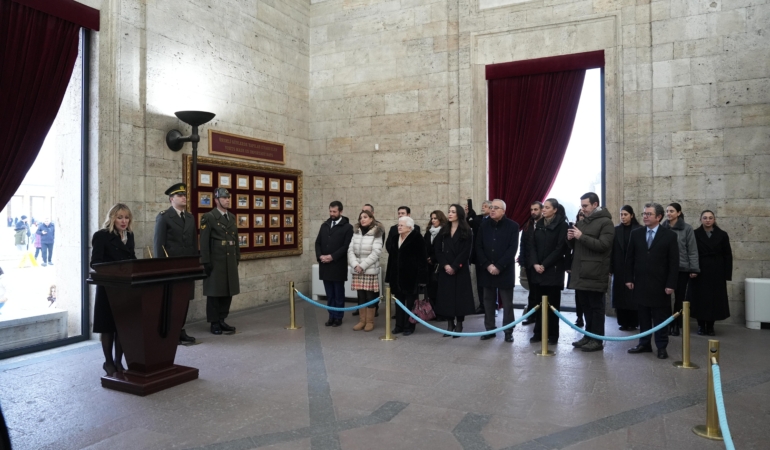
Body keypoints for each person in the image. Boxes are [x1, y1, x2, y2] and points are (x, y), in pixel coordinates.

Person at [626, 202, 679, 360]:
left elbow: (673, 262)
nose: (645, 217)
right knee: (643, 317)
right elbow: (629, 259)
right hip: (641, 283)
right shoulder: (636, 233)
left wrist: (671, 284)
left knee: (660, 317)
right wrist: (628, 278)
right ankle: (644, 343)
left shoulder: (669, 235)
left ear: (659, 217)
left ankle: (662, 346)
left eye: (649, 214)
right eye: (644, 214)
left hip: (660, 285)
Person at [91, 203, 137, 376]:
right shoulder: (101, 236)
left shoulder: (129, 235)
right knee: (108, 327)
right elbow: (95, 262)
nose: (124, 221)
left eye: (126, 217)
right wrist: (117, 269)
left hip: (125, 288)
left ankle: (119, 361)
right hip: (109, 287)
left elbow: (132, 258)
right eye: (120, 217)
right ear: (112, 218)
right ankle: (108, 362)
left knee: (122, 326)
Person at [566, 192, 614, 352]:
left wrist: (581, 236)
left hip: (595, 272)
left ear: (595, 205)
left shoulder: (606, 223)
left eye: (585, 206)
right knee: (585, 306)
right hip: (580, 271)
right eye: (582, 206)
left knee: (596, 307)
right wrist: (571, 239)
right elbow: (577, 247)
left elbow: (603, 245)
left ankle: (597, 339)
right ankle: (588, 335)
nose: (583, 209)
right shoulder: (583, 222)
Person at [154, 183, 198, 344]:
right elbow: (159, 244)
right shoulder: (164, 217)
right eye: (180, 195)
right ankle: (171, 331)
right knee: (171, 300)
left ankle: (180, 328)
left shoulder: (190, 217)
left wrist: (194, 264)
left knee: (185, 299)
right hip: (171, 267)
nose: (184, 197)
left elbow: (193, 243)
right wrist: (160, 268)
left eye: (185, 195)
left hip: (187, 267)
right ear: (172, 199)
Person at [475, 199, 520, 342]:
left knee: (507, 303)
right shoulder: (484, 225)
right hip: (487, 270)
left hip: (504, 270)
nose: (492, 210)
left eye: (496, 207)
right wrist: (488, 265)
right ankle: (490, 329)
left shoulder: (513, 226)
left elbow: (512, 249)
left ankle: (508, 331)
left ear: (503, 211)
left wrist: (499, 266)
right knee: (488, 301)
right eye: (491, 207)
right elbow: (478, 247)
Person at [527, 198, 568, 345]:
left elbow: (560, 248)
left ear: (555, 210)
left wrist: (544, 264)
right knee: (538, 303)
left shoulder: (562, 225)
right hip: (538, 270)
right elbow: (531, 246)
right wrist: (535, 264)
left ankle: (553, 335)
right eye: (543, 207)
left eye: (547, 207)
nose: (544, 210)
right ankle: (538, 332)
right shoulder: (538, 224)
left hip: (553, 271)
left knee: (552, 305)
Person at [200, 188, 240, 335]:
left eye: (228, 198)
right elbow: (203, 242)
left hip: (229, 260)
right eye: (224, 198)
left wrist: (237, 257)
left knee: (227, 291)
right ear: (216, 200)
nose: (227, 200)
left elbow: (235, 239)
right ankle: (214, 322)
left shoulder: (232, 217)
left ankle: (222, 319)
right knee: (214, 293)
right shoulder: (209, 217)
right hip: (215, 260)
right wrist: (205, 261)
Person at [434, 204, 476, 338]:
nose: (450, 214)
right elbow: (437, 249)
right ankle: (449, 324)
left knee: (460, 298)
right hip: (446, 269)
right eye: (449, 211)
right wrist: (445, 265)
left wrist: (455, 266)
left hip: (460, 269)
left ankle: (459, 324)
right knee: (447, 297)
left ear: (459, 214)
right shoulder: (444, 230)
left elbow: (466, 251)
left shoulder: (467, 230)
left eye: (453, 211)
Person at [690, 210, 732, 336]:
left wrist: (726, 274)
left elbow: (727, 255)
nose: (707, 220)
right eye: (705, 218)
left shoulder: (722, 235)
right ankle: (701, 325)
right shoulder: (694, 234)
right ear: (700, 219)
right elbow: (691, 253)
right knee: (700, 298)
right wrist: (693, 269)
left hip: (716, 271)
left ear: (714, 219)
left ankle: (710, 326)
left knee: (714, 299)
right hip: (700, 270)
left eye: (710, 218)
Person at [660, 202, 699, 336]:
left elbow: (692, 250)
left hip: (682, 268)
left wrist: (694, 268)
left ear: (679, 213)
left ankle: (676, 324)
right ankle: (666, 324)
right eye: (667, 211)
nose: (669, 214)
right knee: (664, 297)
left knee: (680, 298)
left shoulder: (687, 229)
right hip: (665, 268)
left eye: (671, 211)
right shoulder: (662, 228)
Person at [386, 216, 427, 336]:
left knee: (410, 304)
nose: (399, 227)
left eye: (401, 225)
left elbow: (422, 260)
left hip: (411, 278)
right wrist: (389, 277)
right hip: (397, 278)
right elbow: (391, 259)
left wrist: (422, 279)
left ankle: (409, 326)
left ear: (409, 227)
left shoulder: (417, 238)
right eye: (398, 225)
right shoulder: (394, 239)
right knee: (398, 303)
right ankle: (399, 325)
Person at [315, 201, 353, 327]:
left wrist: (332, 257)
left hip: (337, 265)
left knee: (338, 294)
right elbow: (318, 242)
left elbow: (346, 246)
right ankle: (331, 315)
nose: (332, 214)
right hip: (325, 265)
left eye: (334, 212)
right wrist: (320, 256)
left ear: (340, 211)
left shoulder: (348, 227)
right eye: (330, 211)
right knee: (329, 294)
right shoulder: (324, 225)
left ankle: (338, 317)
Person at [347, 210, 385, 332]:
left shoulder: (377, 232)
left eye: (365, 217)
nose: (362, 219)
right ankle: (362, 321)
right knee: (360, 296)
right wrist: (355, 264)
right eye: (360, 218)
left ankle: (369, 322)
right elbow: (350, 250)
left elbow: (376, 252)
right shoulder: (356, 232)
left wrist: (362, 266)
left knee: (370, 297)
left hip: (368, 269)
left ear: (371, 218)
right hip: (357, 269)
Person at [611, 205, 642, 331]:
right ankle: (623, 322)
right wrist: (610, 267)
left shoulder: (639, 229)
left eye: (626, 214)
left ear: (632, 215)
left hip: (634, 266)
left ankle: (633, 322)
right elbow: (612, 250)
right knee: (620, 295)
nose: (623, 217)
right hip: (619, 266)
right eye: (621, 214)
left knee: (632, 295)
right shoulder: (616, 230)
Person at [519, 201, 542, 325]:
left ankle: (541, 318)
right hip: (529, 264)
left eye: (536, 209)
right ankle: (531, 316)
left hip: (542, 264)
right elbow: (523, 244)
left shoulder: (545, 224)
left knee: (541, 293)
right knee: (532, 292)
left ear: (541, 210)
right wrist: (522, 262)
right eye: (532, 209)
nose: (533, 212)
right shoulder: (527, 225)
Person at [468, 200, 491, 315]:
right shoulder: (477, 218)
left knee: (491, 283)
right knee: (480, 282)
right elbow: (469, 224)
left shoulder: (493, 220)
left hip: (491, 257)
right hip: (478, 256)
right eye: (482, 206)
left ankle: (493, 305)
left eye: (485, 206)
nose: (483, 208)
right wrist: (469, 214)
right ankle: (482, 305)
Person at [424, 210, 447, 314]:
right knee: (431, 290)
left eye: (435, 218)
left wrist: (433, 258)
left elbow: (444, 249)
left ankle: (441, 312)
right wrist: (427, 257)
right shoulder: (428, 232)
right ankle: (432, 311)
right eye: (432, 218)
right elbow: (424, 246)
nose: (433, 220)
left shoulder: (445, 232)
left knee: (440, 290)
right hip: (429, 266)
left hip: (440, 265)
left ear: (440, 219)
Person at [570, 210, 586, 327]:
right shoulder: (573, 227)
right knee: (578, 294)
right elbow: (569, 249)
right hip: (576, 265)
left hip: (588, 266)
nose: (582, 216)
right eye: (580, 215)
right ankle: (579, 317)